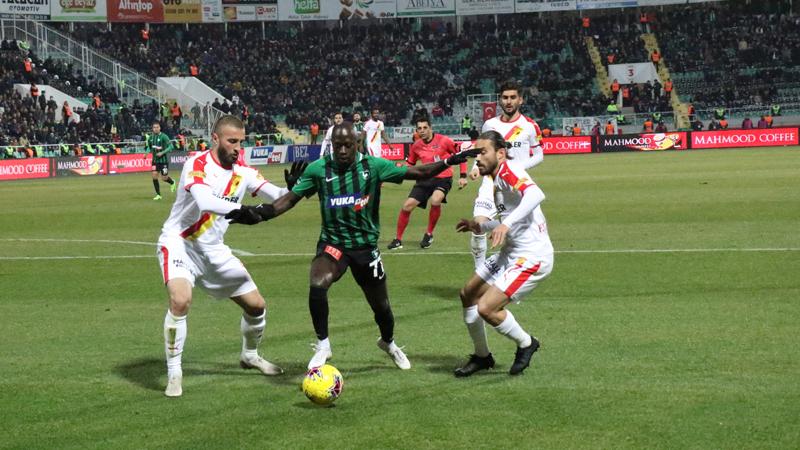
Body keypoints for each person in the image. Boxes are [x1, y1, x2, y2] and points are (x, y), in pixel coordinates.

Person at [225, 123, 479, 371]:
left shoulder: (373, 166)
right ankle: (323, 344)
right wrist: (258, 213)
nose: (343, 151)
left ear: (357, 143)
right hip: (333, 244)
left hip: (365, 247)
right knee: (317, 282)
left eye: (348, 145)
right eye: (338, 146)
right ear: (332, 145)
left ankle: (388, 343)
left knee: (382, 308)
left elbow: (419, 173)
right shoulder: (318, 169)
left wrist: (448, 162)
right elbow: (287, 201)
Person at [156, 115, 305, 397]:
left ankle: (250, 355)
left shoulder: (243, 171)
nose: (238, 148)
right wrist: (241, 210)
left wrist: (294, 189)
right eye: (232, 141)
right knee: (180, 300)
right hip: (180, 243)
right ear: (215, 139)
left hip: (213, 250)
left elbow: (277, 196)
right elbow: (205, 201)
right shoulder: (197, 164)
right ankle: (174, 371)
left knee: (256, 306)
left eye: (241, 142)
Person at [453, 130, 554, 377]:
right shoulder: (496, 179)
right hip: (511, 251)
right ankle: (482, 356)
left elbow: (536, 194)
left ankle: (527, 343)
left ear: (500, 153)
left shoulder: (509, 170)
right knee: (468, 294)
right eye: (476, 153)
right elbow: (507, 219)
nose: (478, 158)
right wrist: (480, 225)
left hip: (531, 256)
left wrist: (504, 225)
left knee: (486, 308)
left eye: (483, 152)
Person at [468, 80, 543, 272]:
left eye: (512, 97)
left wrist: (516, 168)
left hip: (515, 185)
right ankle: (479, 271)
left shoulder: (529, 126)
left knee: (517, 229)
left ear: (521, 100)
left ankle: (517, 270)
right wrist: (477, 166)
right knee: (478, 224)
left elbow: (539, 155)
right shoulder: (490, 124)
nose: (508, 101)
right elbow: (482, 150)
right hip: (490, 182)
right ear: (499, 100)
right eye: (505, 97)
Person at [388, 117, 468, 250]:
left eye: (425, 128)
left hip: (443, 178)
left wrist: (463, 175)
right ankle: (398, 239)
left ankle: (429, 234)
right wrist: (399, 170)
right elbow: (410, 164)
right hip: (425, 178)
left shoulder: (444, 141)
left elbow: (460, 155)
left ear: (431, 128)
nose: (422, 131)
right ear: (416, 131)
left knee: (436, 200)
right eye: (419, 128)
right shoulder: (416, 145)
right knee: (407, 206)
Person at [143, 121, 176, 200]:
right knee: (154, 176)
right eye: (154, 127)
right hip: (155, 161)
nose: (156, 129)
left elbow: (171, 146)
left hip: (163, 161)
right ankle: (158, 195)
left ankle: (172, 182)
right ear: (152, 128)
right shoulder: (150, 138)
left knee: (164, 178)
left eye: (157, 127)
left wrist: (162, 152)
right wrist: (146, 153)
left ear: (160, 128)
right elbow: (149, 147)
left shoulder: (164, 136)